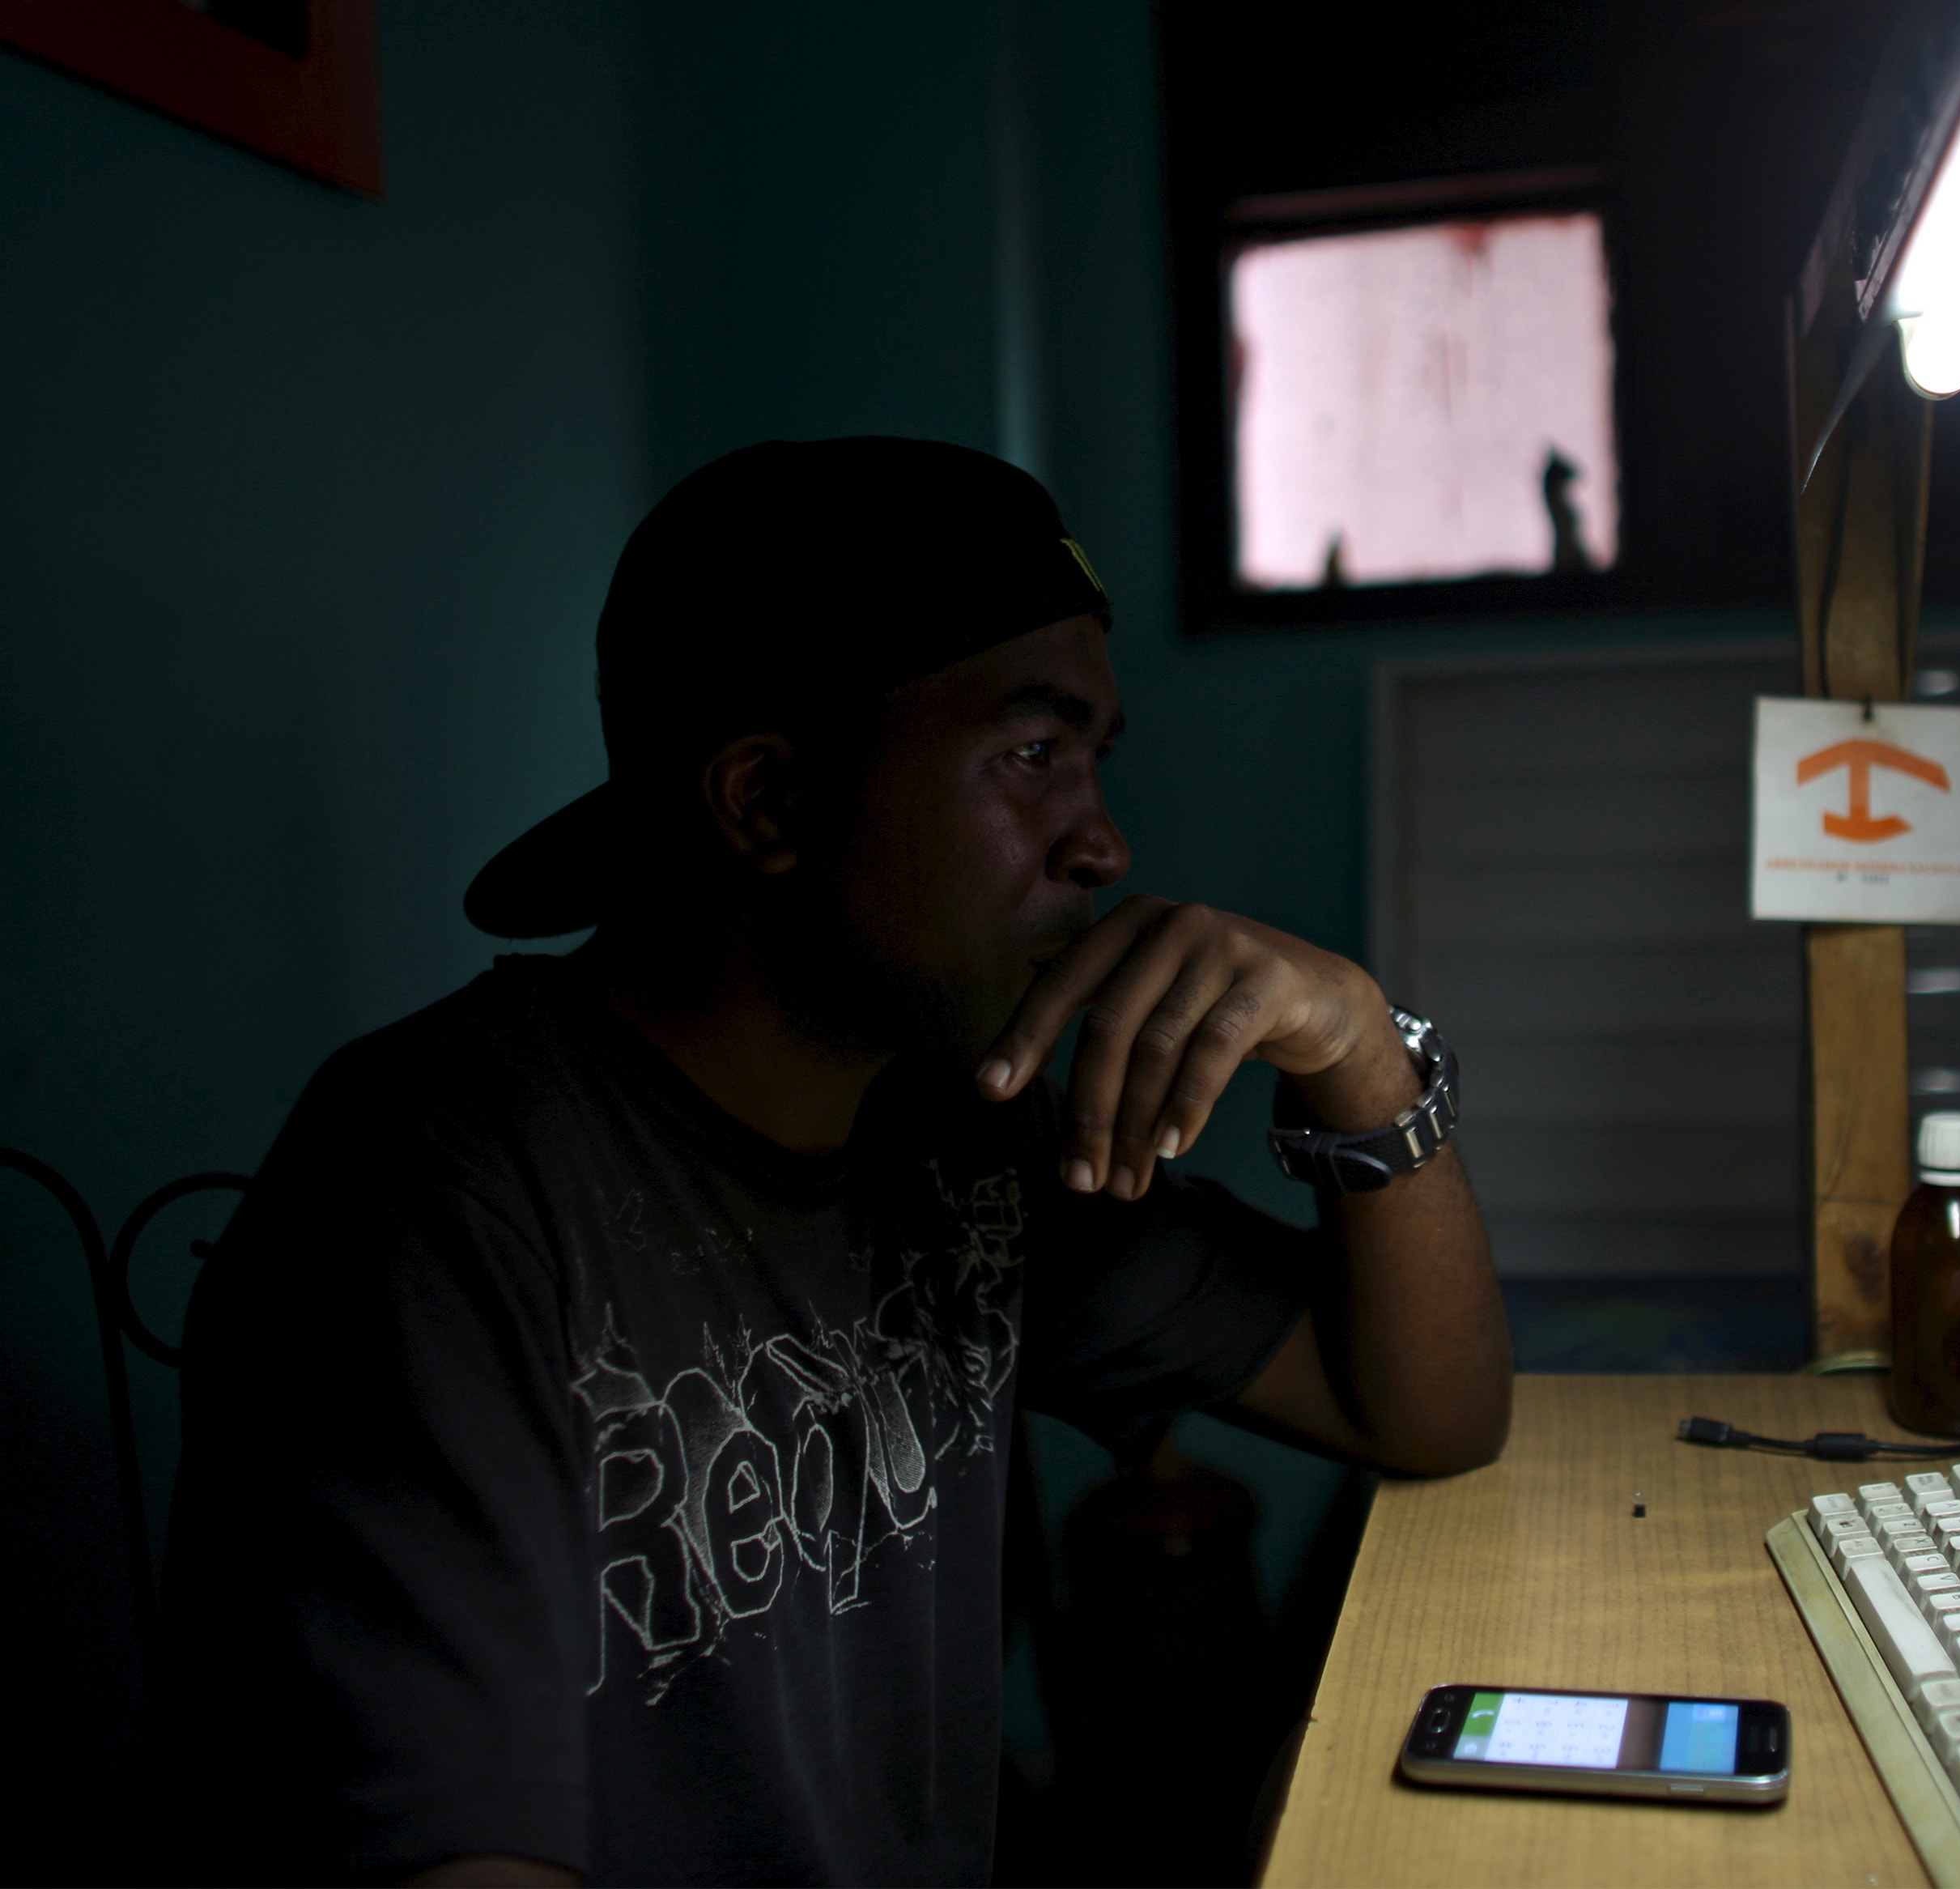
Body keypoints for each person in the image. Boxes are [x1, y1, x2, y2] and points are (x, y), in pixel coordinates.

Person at [151, 439, 1511, 1887]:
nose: (1102, 843)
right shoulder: (432, 1194)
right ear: (769, 804)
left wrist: (1359, 1046)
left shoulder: (962, 1135)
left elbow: (1426, 1407)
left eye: (1092, 760)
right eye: (1031, 754)